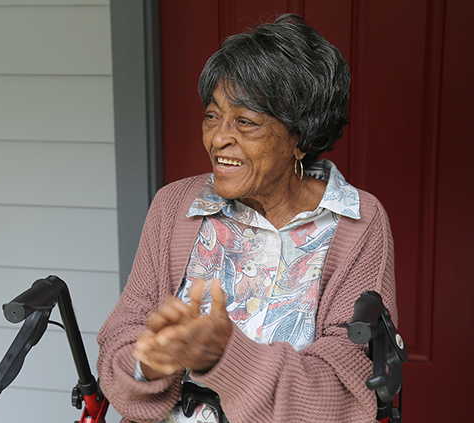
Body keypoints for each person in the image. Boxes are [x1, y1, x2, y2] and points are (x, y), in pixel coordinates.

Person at [97, 14, 397, 423]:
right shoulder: (174, 207)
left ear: (303, 137)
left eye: (245, 122)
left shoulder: (357, 224)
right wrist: (152, 362)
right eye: (211, 115)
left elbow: (344, 394)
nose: (218, 137)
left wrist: (223, 355)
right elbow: (120, 344)